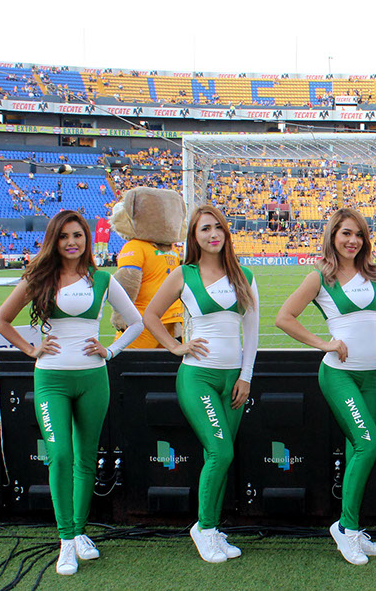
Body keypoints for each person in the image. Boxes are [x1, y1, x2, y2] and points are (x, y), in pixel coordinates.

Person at [0, 210, 144, 576]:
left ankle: (78, 532)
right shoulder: (38, 277)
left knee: (86, 459)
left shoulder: (102, 279)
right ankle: (65, 540)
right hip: (52, 380)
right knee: (60, 456)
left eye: (77, 235)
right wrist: (31, 350)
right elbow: (1, 320)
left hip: (93, 379)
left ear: (86, 239)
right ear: (54, 241)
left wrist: (110, 351)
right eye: (63, 236)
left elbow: (136, 322)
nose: (71, 242)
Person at [275, 208, 376, 566]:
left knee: (358, 451)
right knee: (368, 443)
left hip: (374, 376)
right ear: (333, 236)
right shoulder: (320, 276)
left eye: (359, 234)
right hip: (339, 375)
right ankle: (346, 529)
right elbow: (284, 317)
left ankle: (353, 528)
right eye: (346, 233)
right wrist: (324, 344)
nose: (353, 240)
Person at [142, 205, 258, 564]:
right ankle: (204, 529)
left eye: (218, 227)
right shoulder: (184, 274)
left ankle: (214, 528)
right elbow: (150, 315)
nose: (213, 234)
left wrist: (245, 377)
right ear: (194, 236)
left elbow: (251, 331)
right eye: (205, 228)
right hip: (198, 377)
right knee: (221, 452)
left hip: (233, 380)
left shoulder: (243, 275)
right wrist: (176, 346)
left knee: (218, 456)